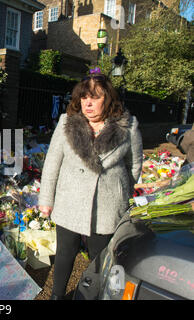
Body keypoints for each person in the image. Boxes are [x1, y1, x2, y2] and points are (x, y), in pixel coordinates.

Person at [38, 72, 143, 300]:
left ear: (108, 99)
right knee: (65, 252)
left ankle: (92, 295)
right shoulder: (67, 123)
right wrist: (46, 200)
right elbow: (52, 163)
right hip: (69, 200)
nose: (87, 102)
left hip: (107, 204)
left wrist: (122, 191)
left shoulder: (127, 126)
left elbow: (134, 164)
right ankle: (57, 296)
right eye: (84, 97)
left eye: (94, 97)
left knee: (99, 258)